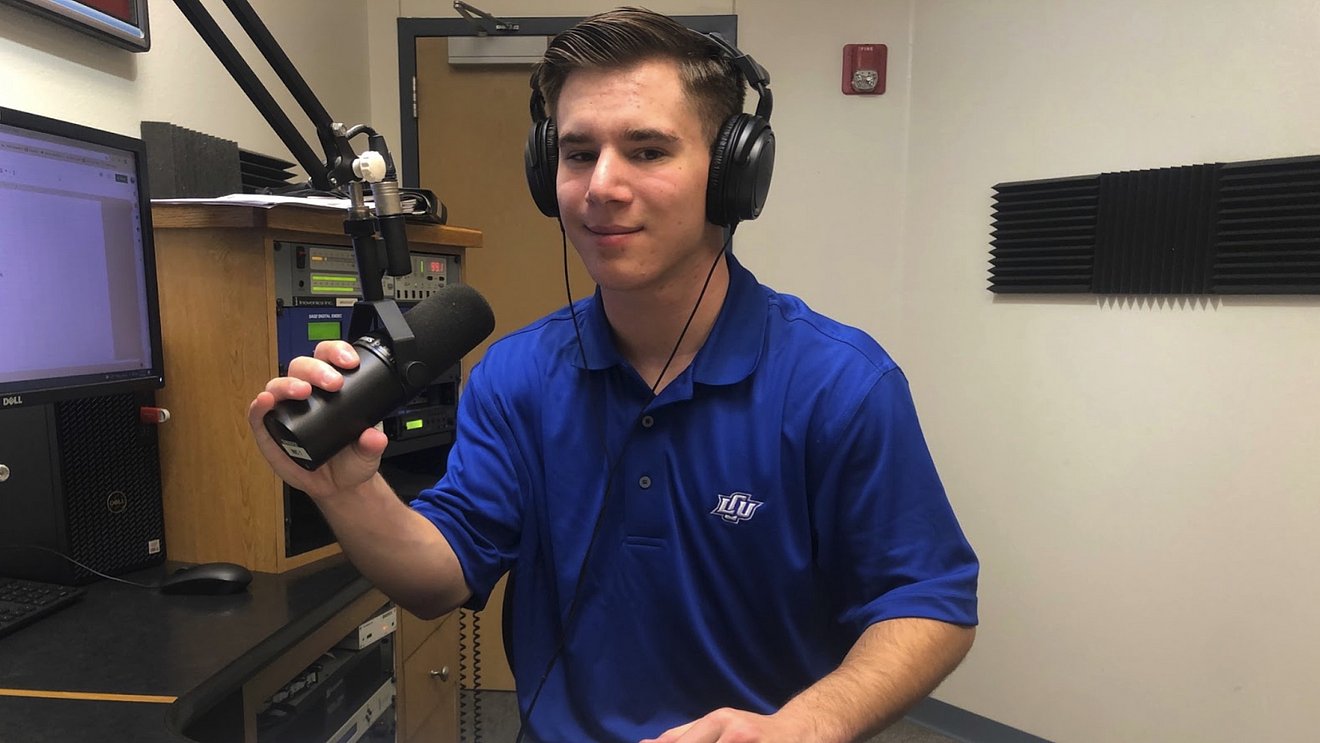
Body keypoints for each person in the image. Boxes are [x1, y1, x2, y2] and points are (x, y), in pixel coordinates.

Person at [248, 8, 978, 743]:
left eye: (648, 150)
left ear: (733, 173)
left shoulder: (841, 384)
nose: (600, 186)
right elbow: (439, 577)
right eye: (576, 153)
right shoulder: (518, 376)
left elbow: (929, 602)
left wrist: (806, 725)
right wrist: (351, 492)